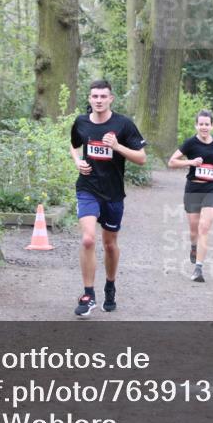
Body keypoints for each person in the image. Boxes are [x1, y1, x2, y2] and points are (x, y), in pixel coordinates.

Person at [69, 80, 147, 317]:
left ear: (111, 99)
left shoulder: (123, 125)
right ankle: (88, 294)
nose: (99, 100)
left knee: (110, 245)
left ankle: (110, 286)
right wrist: (77, 162)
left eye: (103, 96)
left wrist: (117, 146)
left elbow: (142, 158)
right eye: (95, 96)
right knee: (88, 239)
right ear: (89, 99)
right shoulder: (81, 122)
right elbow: (74, 145)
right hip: (87, 188)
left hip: (113, 194)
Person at [168, 109, 213, 283]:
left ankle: (198, 268)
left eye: (207, 124)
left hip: (212, 189)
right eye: (201, 124)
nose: (204, 127)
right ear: (196, 125)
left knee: (204, 227)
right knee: (194, 230)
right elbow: (171, 162)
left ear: (212, 126)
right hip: (193, 189)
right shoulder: (190, 143)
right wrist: (190, 162)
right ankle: (194, 247)